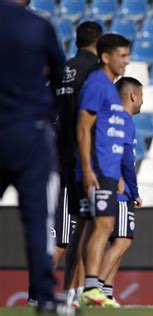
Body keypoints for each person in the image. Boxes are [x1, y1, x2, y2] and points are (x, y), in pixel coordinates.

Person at [0, 0, 65, 313]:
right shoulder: (38, 25)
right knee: (38, 218)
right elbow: (60, 74)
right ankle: (43, 297)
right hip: (28, 130)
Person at [76, 33, 130, 306]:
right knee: (102, 225)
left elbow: (107, 131)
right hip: (96, 169)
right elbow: (83, 128)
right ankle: (89, 288)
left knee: (97, 226)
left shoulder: (109, 86)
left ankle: (87, 289)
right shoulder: (97, 84)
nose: (126, 61)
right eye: (122, 56)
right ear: (106, 56)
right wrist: (87, 170)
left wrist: (117, 173)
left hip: (107, 170)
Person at [54, 20, 103, 307]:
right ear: (99, 44)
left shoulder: (61, 70)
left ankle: (65, 296)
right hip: (80, 160)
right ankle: (56, 296)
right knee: (77, 233)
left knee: (68, 234)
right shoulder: (95, 72)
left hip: (57, 158)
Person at [97, 77, 143, 308]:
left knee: (117, 240)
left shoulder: (111, 119)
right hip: (120, 193)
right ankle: (94, 288)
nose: (142, 101)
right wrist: (134, 191)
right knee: (123, 240)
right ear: (133, 95)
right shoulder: (125, 120)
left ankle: (105, 292)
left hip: (108, 185)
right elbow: (127, 159)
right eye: (141, 96)